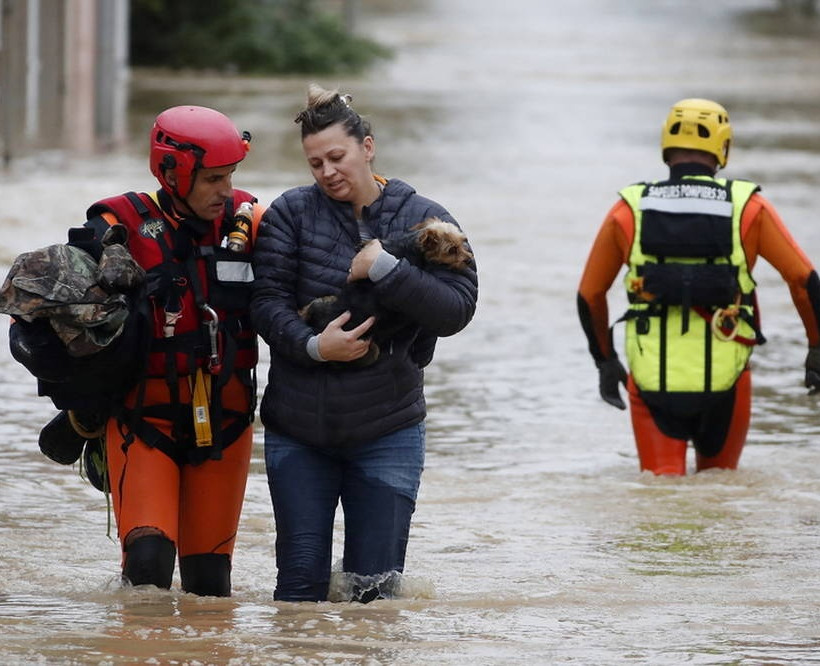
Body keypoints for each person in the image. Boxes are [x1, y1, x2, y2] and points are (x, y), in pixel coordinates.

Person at [250, 84, 478, 602]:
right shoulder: (289, 214)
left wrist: (387, 268)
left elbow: (457, 310)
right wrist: (314, 347)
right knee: (297, 591)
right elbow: (266, 303)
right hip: (298, 429)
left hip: (389, 429)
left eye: (337, 156)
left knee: (372, 598)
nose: (327, 171)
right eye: (315, 163)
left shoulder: (426, 218)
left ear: (367, 147)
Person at [577, 98, 820, 476]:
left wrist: (605, 361)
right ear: (722, 147)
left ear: (666, 147)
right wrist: (816, 348)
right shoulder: (748, 207)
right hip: (728, 375)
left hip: (652, 379)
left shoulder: (629, 208)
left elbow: (590, 293)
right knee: (721, 499)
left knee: (662, 505)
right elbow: (804, 281)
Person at [77, 105, 262, 596]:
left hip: (227, 420)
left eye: (231, 176)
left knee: (209, 585)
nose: (225, 192)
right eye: (213, 179)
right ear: (172, 173)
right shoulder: (115, 225)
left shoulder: (250, 220)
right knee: (148, 568)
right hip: (144, 419)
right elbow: (53, 311)